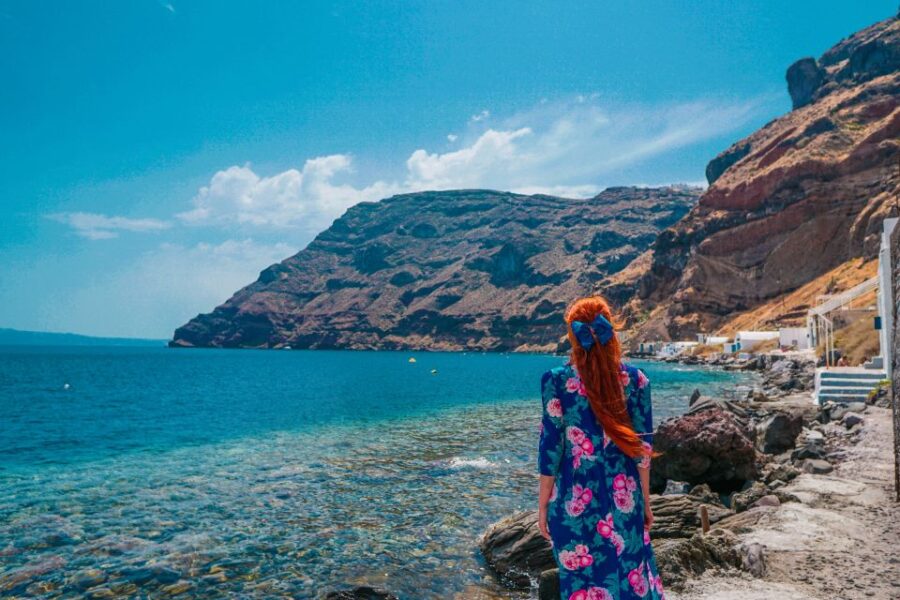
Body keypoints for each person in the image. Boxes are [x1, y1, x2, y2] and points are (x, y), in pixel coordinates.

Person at [537, 296, 664, 599]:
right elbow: (642, 451)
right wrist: (645, 501)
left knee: (582, 583)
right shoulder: (636, 380)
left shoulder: (556, 381)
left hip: (572, 500)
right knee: (629, 578)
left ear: (572, 335)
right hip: (625, 498)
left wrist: (542, 504)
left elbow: (550, 449)